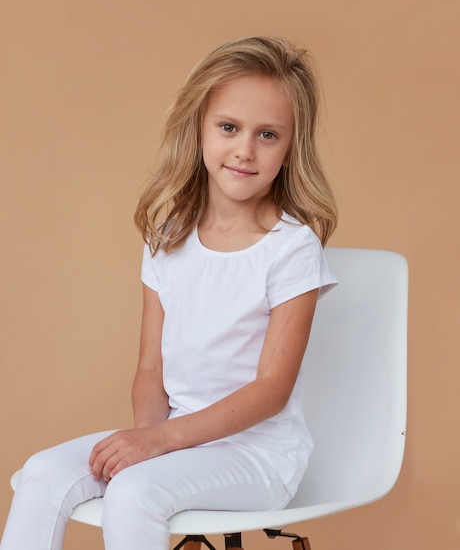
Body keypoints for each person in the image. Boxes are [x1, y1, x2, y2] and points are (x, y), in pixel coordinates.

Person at [1, 36, 338, 550]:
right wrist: (148, 439)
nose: (244, 149)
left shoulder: (291, 249)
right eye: (229, 127)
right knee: (43, 474)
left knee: (134, 492)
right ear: (199, 128)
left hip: (258, 455)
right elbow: (150, 369)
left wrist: (158, 444)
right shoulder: (169, 235)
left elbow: (272, 389)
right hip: (176, 439)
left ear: (291, 147)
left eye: (267, 134)